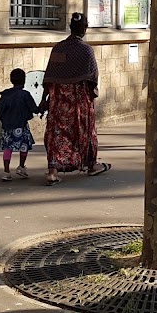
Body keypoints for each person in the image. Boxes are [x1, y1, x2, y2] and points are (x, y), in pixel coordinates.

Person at [41, 12, 110, 184]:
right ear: (84, 29)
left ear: (70, 27)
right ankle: (91, 165)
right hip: (79, 101)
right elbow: (92, 77)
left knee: (56, 134)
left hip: (58, 102)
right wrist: (92, 92)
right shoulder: (86, 50)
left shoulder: (58, 48)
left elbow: (49, 76)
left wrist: (44, 98)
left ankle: (52, 171)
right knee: (84, 131)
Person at [0, 68, 39, 181]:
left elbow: (0, 109)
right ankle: (21, 166)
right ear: (24, 80)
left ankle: (6, 171)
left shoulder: (5, 95)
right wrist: (41, 108)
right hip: (21, 125)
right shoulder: (25, 95)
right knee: (24, 146)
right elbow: (34, 108)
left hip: (8, 126)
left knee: (7, 147)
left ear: (11, 80)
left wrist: (4, 120)